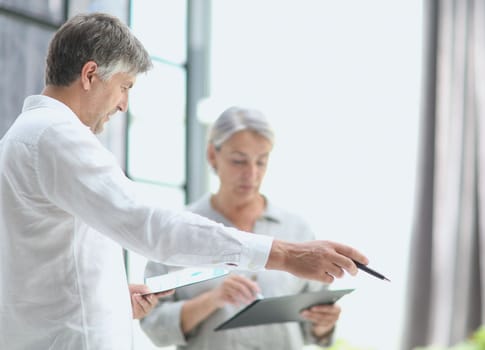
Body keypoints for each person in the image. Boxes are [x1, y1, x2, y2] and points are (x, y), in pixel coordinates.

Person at [0, 13, 369, 350]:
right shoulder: (57, 137)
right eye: (124, 86)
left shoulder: (26, 137)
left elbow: (46, 263)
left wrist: (107, 298)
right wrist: (287, 255)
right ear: (90, 74)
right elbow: (150, 226)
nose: (123, 104)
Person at [140, 107, 341, 349]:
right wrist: (212, 299)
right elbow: (153, 324)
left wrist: (323, 324)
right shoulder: (178, 229)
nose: (251, 174)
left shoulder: (297, 230)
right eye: (239, 160)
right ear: (213, 155)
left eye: (261, 162)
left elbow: (313, 327)